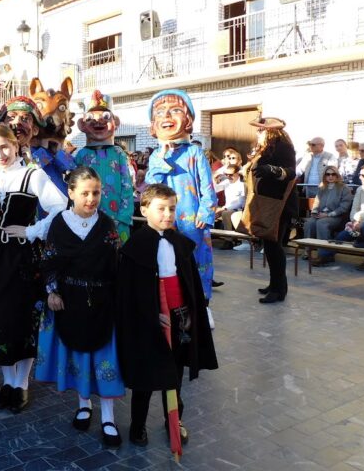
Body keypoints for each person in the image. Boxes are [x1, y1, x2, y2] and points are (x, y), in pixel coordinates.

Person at [0, 124, 67, 414]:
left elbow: (60, 208)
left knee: (20, 317)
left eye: (4, 147)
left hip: (21, 257)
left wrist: (31, 230)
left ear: (16, 145)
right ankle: (7, 383)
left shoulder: (32, 174)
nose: (0, 154)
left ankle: (21, 384)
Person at [118, 183, 218, 454]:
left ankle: (174, 418)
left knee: (174, 373)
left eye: (172, 208)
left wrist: (186, 313)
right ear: (144, 209)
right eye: (161, 208)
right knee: (146, 377)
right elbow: (131, 293)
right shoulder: (134, 247)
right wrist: (153, 316)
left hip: (179, 317)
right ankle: (137, 424)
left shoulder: (180, 243)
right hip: (150, 323)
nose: (167, 214)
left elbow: (189, 284)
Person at [34, 167, 124, 448]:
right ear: (71, 193)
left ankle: (108, 417)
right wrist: (52, 291)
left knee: (104, 360)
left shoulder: (108, 225)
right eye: (84, 193)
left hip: (103, 304)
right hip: (69, 302)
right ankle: (84, 405)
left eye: (96, 192)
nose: (91, 198)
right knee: (78, 360)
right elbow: (48, 261)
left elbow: (118, 266)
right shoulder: (59, 224)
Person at [145, 90, 218, 324]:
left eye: (175, 110)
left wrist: (205, 212)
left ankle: (203, 304)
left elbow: (208, 187)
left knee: (198, 261)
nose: (166, 116)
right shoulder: (156, 154)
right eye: (159, 112)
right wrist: (162, 158)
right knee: (166, 260)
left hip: (191, 218)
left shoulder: (195, 152)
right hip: (164, 220)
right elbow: (151, 184)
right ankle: (172, 305)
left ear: (188, 119)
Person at [241, 116, 298, 303]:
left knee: (274, 247)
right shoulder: (266, 148)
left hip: (280, 205)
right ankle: (275, 284)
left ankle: (279, 290)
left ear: (271, 131)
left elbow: (291, 171)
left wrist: (272, 170)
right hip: (267, 203)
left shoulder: (283, 146)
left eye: (261, 129)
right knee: (269, 246)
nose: (258, 132)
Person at [74, 90, 134, 244]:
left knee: (117, 257)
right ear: (82, 125)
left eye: (106, 117)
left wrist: (124, 217)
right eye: (90, 119)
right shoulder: (81, 155)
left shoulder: (119, 153)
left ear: (116, 122)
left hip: (117, 220)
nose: (98, 121)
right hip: (87, 218)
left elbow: (127, 186)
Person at [313, 163, 364, 270]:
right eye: (360, 175)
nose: (360, 177)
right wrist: (354, 221)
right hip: (357, 224)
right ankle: (325, 256)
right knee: (341, 236)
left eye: (363, 175)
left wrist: (360, 220)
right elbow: (354, 209)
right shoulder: (360, 189)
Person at [303, 165, 352, 259]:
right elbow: (317, 202)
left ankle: (324, 254)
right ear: (324, 176)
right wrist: (315, 212)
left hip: (336, 217)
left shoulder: (344, 188)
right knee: (309, 223)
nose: (330, 176)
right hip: (320, 215)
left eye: (333, 174)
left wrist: (328, 214)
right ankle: (307, 250)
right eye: (328, 174)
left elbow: (344, 206)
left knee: (322, 224)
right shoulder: (322, 188)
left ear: (337, 175)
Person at [0, 96, 46, 165]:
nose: (17, 122)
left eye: (25, 119)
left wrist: (29, 161)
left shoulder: (43, 156)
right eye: (11, 117)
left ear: (35, 129)